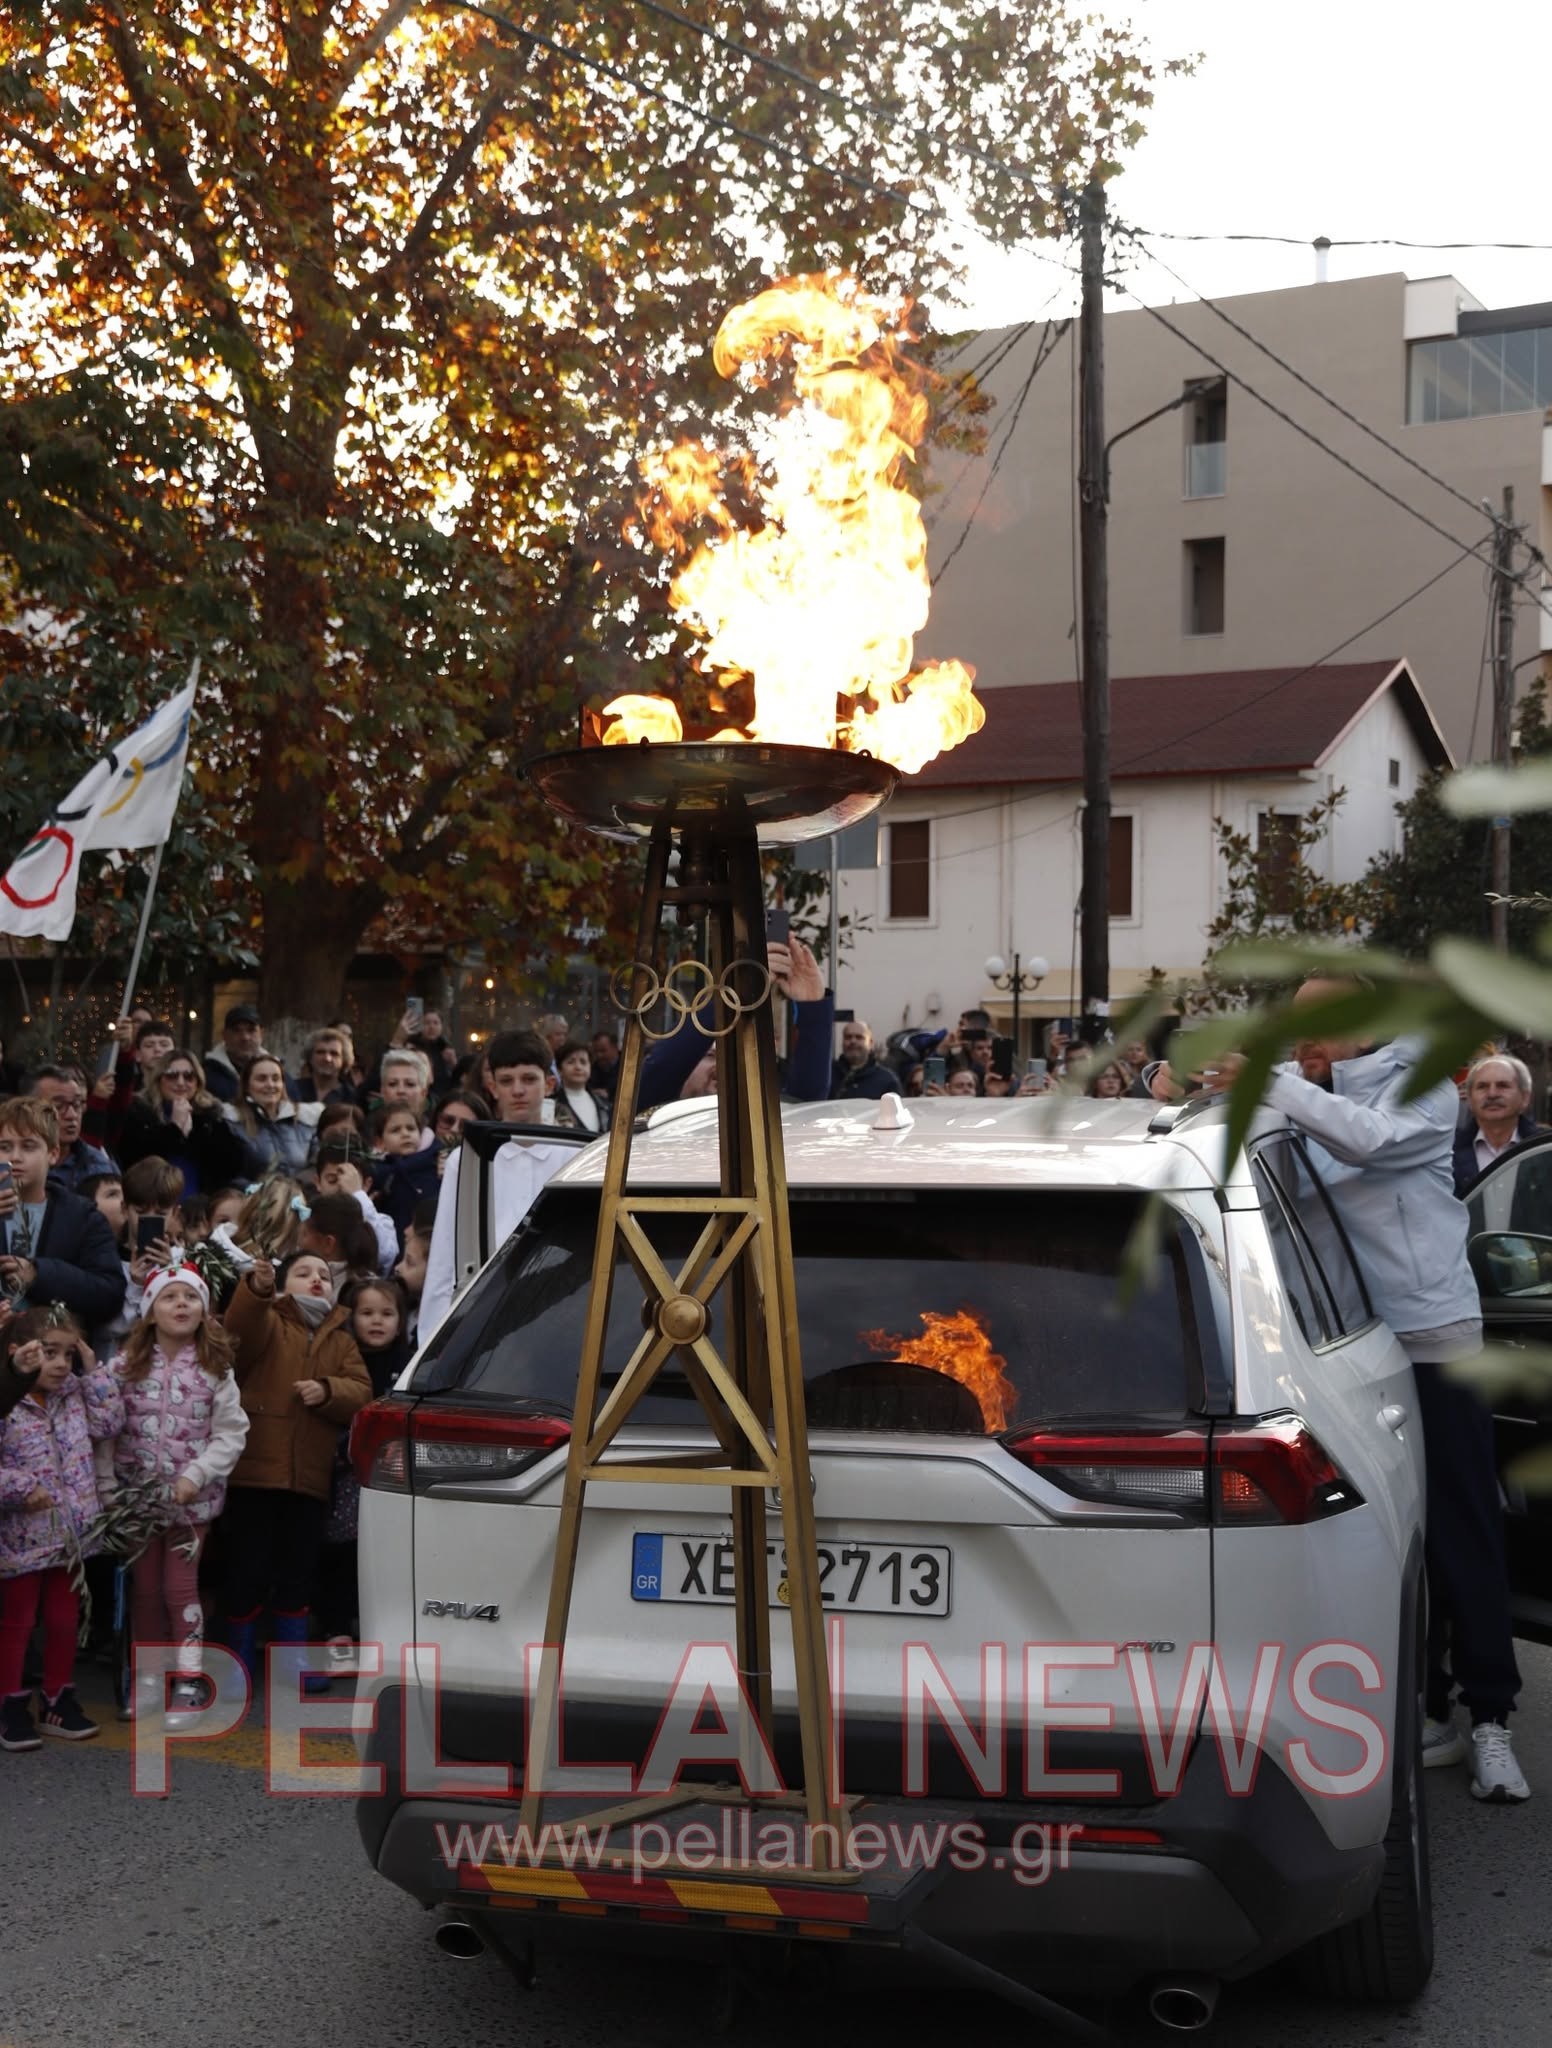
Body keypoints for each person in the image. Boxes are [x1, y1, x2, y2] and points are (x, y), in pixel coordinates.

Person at [1240, 976, 1530, 1803]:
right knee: (1380, 1538)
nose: (1305, 1031)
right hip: (1344, 1351)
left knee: (1462, 1529)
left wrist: (1279, 1082)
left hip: (1437, 1344)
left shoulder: (1427, 1087)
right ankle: (1425, 1701)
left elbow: (1369, 1139)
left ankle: (1490, 1723)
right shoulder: (1309, 1095)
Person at [220, 1249, 372, 1699]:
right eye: (304, 1273)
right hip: (255, 1475)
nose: (316, 1280)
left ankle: (292, 1657)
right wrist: (258, 1290)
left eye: (324, 1273)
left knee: (297, 1571)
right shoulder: (271, 1321)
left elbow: (362, 1392)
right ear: (285, 1285)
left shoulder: (341, 1340)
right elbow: (239, 1332)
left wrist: (327, 1390)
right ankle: (237, 1660)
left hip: (307, 1479)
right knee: (246, 1568)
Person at [104, 1264, 249, 1721]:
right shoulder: (124, 1368)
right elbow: (105, 1429)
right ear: (149, 1312)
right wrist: (107, 1485)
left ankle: (188, 1682)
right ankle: (149, 1678)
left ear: (204, 1310)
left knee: (179, 1589)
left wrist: (197, 1475)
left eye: (190, 1297)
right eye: (169, 1297)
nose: (181, 1304)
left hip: (191, 1504)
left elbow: (231, 1433)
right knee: (145, 1591)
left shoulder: (215, 1370)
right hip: (138, 1503)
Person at [0, 1307, 124, 1748]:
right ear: (19, 1353)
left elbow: (109, 1423)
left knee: (64, 1619)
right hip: (22, 1535)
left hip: (72, 1535)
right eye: (49, 1353)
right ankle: (9, 1703)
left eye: (68, 1354)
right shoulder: (7, 1403)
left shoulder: (74, 1393)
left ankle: (57, 1699)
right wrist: (19, 1487)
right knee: (17, 1621)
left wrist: (94, 1373)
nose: (59, 1365)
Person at [419, 1030, 579, 1344]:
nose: (518, 1090)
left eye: (529, 1079)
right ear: (492, 1087)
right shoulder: (467, 1160)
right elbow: (444, 1254)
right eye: (507, 1081)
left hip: (558, 1307)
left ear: (548, 1084)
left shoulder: (574, 1156)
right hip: (483, 1308)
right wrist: (431, 1340)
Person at [0, 1097, 126, 1329]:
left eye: (28, 1146)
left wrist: (39, 1274)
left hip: (55, 1355)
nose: (15, 1157)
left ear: (53, 1153)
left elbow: (110, 1294)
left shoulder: (82, 1217)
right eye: (5, 1147)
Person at [116, 1050, 249, 1198]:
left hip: (200, 1206)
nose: (180, 1082)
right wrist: (174, 1130)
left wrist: (196, 1132)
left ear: (197, 1082)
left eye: (188, 1076)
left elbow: (230, 1166)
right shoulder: (140, 1112)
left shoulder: (211, 1115)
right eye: (172, 1075)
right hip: (152, 1202)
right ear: (159, 1079)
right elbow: (133, 1161)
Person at [1452, 1053, 1544, 1197]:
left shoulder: (1543, 1148)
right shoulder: (1448, 1151)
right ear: (1469, 1099)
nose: (1492, 1094)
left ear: (1525, 1098)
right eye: (1482, 1087)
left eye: (1503, 1085)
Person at [224, 1053, 321, 1177]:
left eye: (276, 1079)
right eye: (261, 1079)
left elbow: (316, 1168)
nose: (270, 1085)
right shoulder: (232, 1124)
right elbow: (228, 1175)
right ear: (247, 1086)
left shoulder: (305, 1122)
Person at [30, 1066, 116, 1191]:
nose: (72, 1115)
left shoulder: (99, 1166)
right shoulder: (13, 1163)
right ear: (30, 1108)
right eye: (58, 1106)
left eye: (77, 1105)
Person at [201, 1003, 265, 1105]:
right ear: (224, 1036)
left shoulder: (278, 1076)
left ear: (261, 1034)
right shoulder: (204, 1078)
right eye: (237, 1030)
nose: (245, 1037)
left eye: (251, 1030)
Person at [830, 1020, 896, 1102]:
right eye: (848, 1037)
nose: (853, 1041)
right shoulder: (828, 1076)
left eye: (859, 1037)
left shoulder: (887, 1080)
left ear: (871, 1043)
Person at [294, 1027, 358, 1109]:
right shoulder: (292, 1090)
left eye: (334, 1053)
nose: (327, 1058)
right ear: (310, 1057)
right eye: (320, 1052)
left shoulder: (352, 1097)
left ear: (344, 1060)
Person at [556, 1041, 611, 1134]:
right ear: (559, 1070)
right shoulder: (552, 1104)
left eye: (583, 1062)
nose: (578, 1067)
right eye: (571, 1062)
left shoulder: (604, 1105)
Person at [590, 1028, 621, 1099]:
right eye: (595, 1051)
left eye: (603, 1051)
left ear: (615, 1048)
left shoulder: (628, 1068)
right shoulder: (592, 1069)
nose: (599, 1055)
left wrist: (609, 1095)